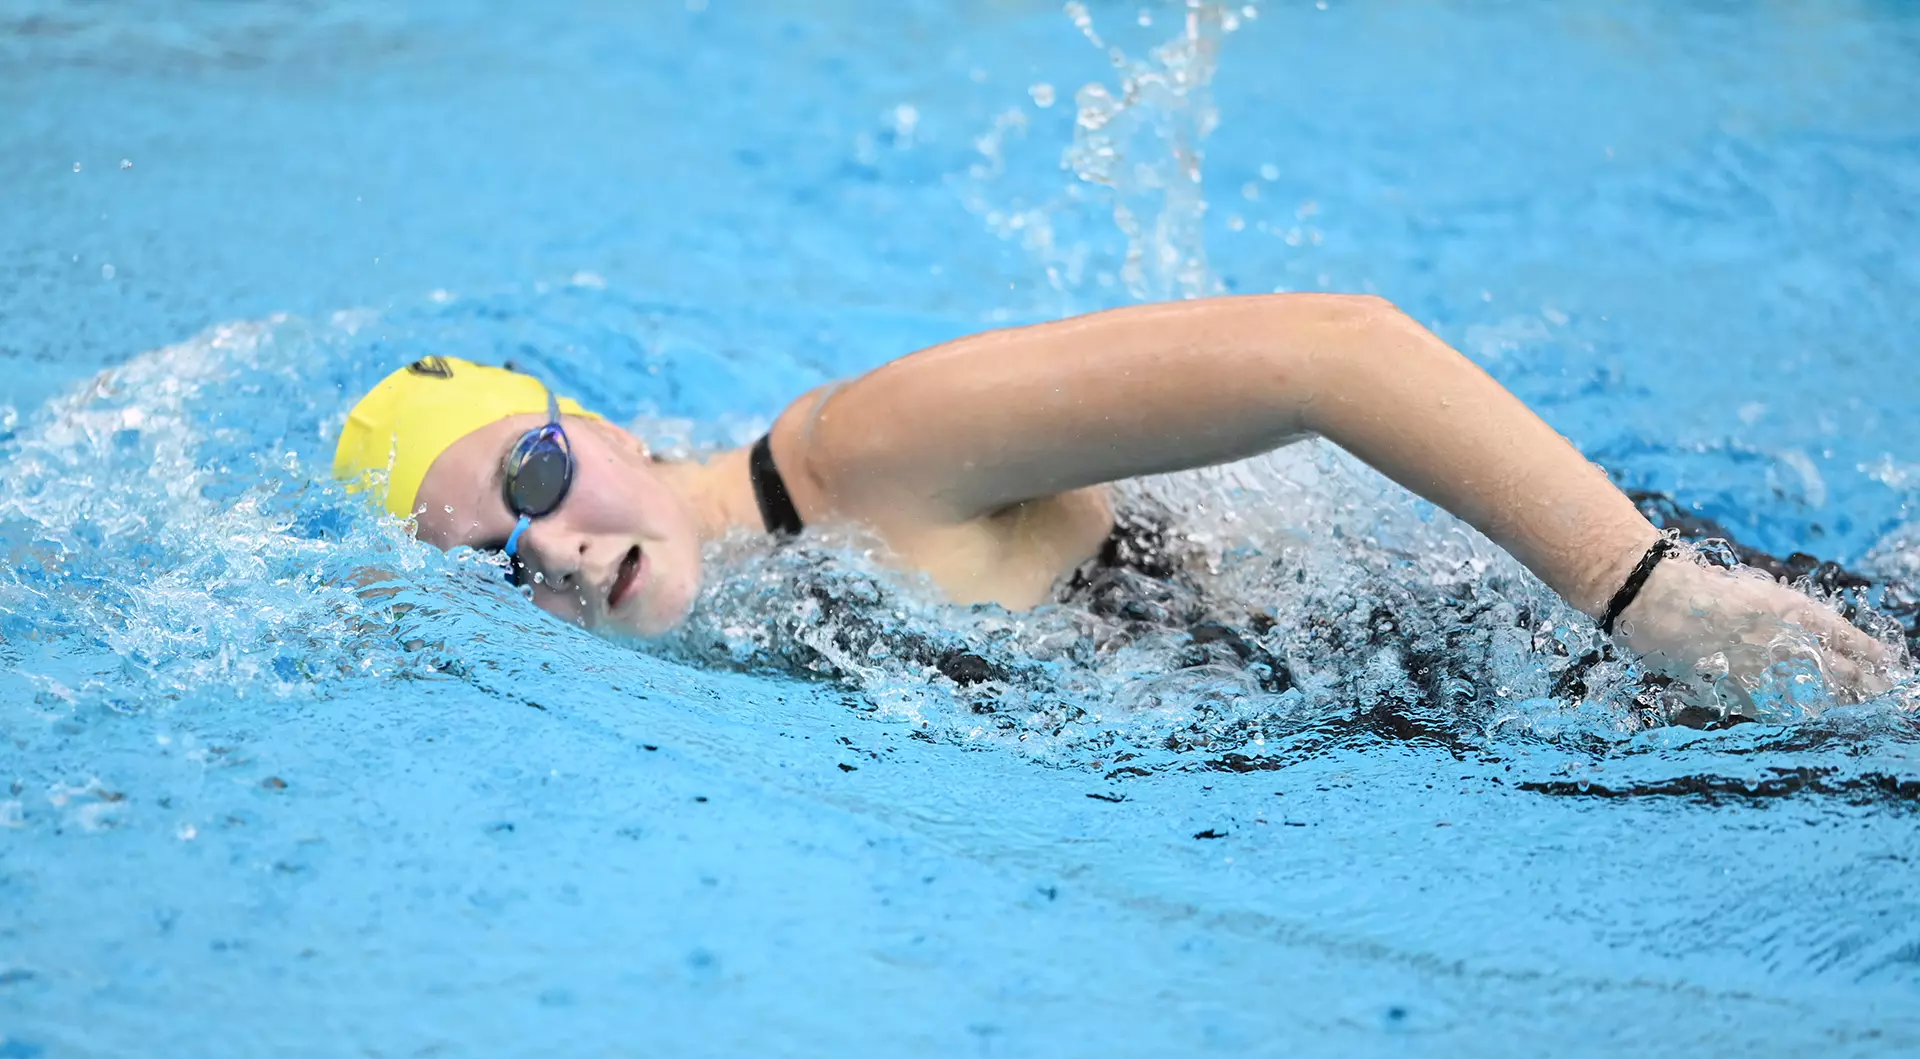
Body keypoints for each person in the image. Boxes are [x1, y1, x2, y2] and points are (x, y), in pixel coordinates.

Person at [332, 293, 1895, 710]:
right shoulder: (744, 610)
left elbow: (1329, 347)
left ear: (591, 423)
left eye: (534, 478)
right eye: (493, 563)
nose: (555, 549)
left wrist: (1653, 598)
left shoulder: (868, 452)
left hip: (1599, 666)